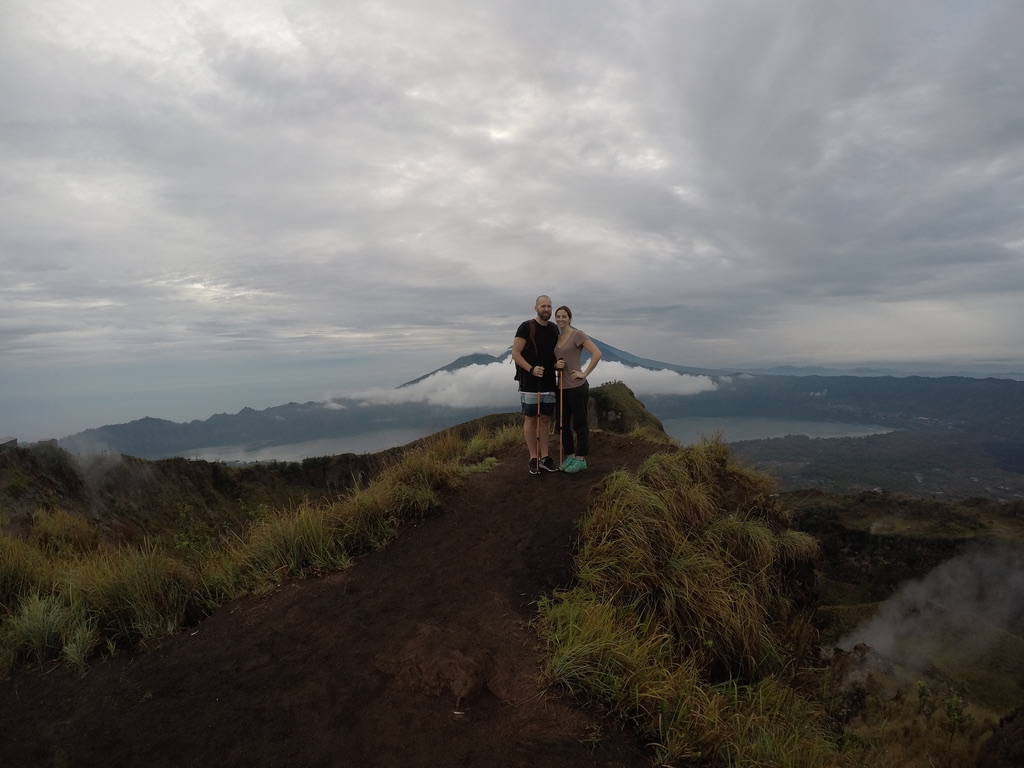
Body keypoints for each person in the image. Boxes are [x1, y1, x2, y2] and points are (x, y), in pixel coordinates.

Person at [511, 295, 561, 474]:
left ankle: (545, 457)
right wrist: (531, 369)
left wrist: (557, 365)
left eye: (549, 306)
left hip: (549, 382)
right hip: (530, 383)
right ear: (536, 308)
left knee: (545, 419)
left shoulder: (554, 329)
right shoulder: (526, 327)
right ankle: (533, 458)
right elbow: (515, 353)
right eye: (543, 306)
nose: (546, 309)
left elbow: (554, 354)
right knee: (531, 419)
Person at [554, 305, 602, 473]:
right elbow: (556, 360)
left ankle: (581, 459)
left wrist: (584, 373)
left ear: (570, 318)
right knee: (563, 424)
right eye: (558, 316)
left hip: (577, 386)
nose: (560, 319)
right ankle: (571, 455)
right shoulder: (557, 338)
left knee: (580, 423)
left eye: (564, 316)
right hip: (561, 387)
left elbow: (597, 353)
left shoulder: (577, 334)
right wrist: (556, 365)